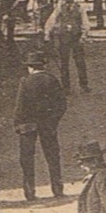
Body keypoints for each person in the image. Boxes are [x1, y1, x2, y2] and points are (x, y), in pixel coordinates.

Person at [13, 50, 66, 202]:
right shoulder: (52, 80)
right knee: (52, 157)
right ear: (43, 65)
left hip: (27, 125)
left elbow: (20, 105)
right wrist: (54, 120)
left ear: (30, 67)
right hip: (48, 124)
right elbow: (61, 104)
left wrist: (18, 123)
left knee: (27, 159)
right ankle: (57, 189)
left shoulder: (25, 81)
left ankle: (29, 192)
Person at [44, 0, 90, 93]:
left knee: (80, 62)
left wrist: (83, 36)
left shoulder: (80, 8)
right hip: (63, 38)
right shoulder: (60, 7)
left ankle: (84, 85)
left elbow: (85, 23)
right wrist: (47, 33)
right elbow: (52, 19)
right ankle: (66, 87)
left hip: (76, 38)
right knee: (64, 63)